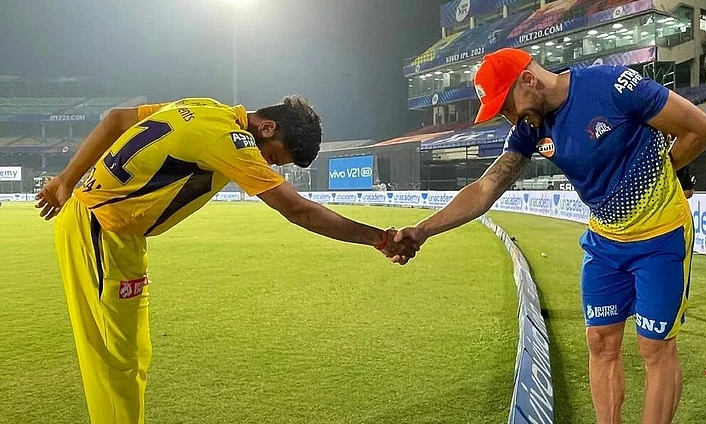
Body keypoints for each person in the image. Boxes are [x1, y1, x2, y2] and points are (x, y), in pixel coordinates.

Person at [35, 97, 419, 424]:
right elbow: (298, 211)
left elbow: (118, 118)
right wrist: (379, 239)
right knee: (114, 360)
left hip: (119, 236)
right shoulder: (231, 140)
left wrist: (68, 178)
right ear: (266, 127)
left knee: (134, 353)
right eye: (272, 157)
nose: (266, 165)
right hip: (100, 230)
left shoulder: (203, 107)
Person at [393, 48, 706, 424]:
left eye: (505, 106)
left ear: (529, 80)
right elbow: (485, 189)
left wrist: (660, 171)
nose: (507, 118)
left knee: (654, 347)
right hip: (606, 244)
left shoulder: (611, 85)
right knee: (600, 343)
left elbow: (701, 128)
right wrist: (421, 231)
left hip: (661, 237)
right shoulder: (530, 128)